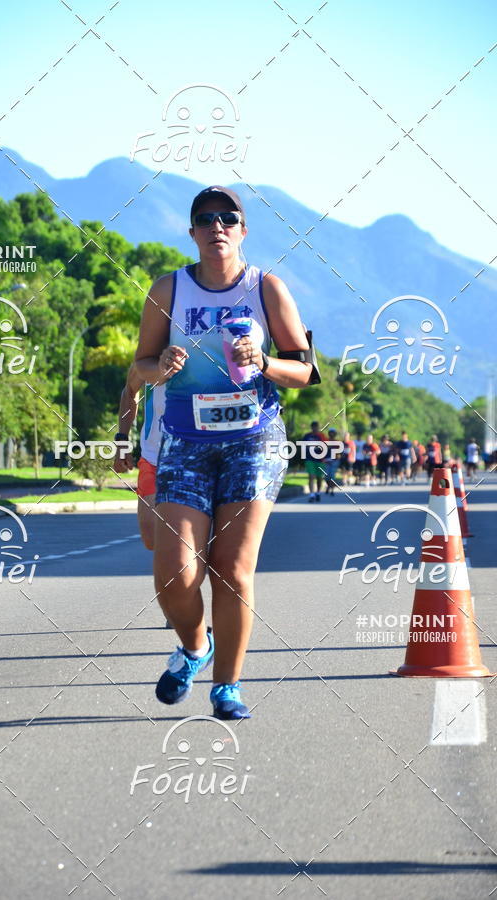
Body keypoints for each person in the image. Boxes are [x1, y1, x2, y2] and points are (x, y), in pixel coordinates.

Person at [134, 185, 318, 719]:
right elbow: (139, 366)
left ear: (242, 231)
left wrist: (262, 361)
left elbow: (305, 370)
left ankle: (227, 687)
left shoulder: (267, 288)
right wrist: (159, 366)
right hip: (185, 440)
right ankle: (197, 646)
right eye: (206, 218)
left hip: (252, 441)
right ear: (192, 232)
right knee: (174, 572)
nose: (218, 226)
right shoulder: (168, 289)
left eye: (229, 218)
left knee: (232, 569)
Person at [113, 366, 175, 627]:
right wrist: (122, 440)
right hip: (153, 455)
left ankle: (179, 605)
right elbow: (130, 391)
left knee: (184, 539)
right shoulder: (152, 356)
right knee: (151, 537)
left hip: (195, 454)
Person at [302, 420, 327, 502]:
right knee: (311, 476)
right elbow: (302, 445)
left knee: (319, 478)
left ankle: (318, 492)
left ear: (318, 428)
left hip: (320, 460)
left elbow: (326, 446)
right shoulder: (307, 436)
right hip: (309, 459)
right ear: (311, 427)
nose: (315, 429)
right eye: (314, 427)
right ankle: (312, 495)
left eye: (316, 427)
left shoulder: (321, 436)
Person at [324, 427, 341, 494]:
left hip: (334, 461)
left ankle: (331, 489)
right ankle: (329, 486)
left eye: (333, 433)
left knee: (332, 475)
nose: (332, 434)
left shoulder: (337, 442)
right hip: (326, 461)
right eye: (330, 433)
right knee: (326, 476)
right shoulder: (325, 442)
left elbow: (340, 453)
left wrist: (337, 457)